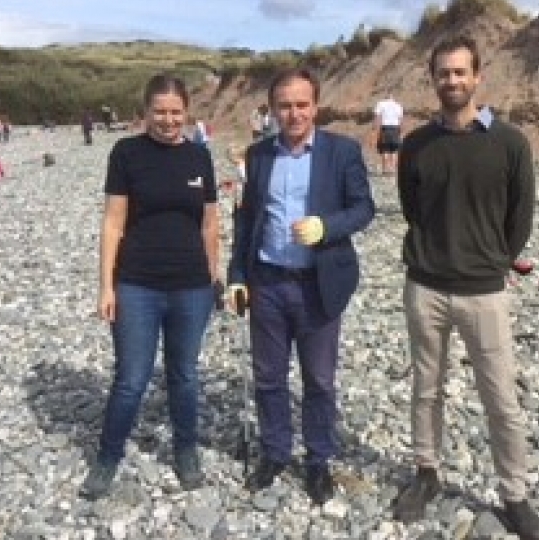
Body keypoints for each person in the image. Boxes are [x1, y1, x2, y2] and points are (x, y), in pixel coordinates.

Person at [393, 35, 539, 540]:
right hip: (426, 287)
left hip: (485, 290)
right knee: (426, 388)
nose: (452, 81)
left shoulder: (509, 143)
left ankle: (515, 494)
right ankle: (426, 473)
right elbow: (413, 209)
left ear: (478, 77)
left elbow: (519, 217)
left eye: (461, 73)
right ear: (433, 79)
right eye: (444, 73)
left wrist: (494, 261)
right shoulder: (415, 146)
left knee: (501, 396)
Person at [227, 67, 375, 506]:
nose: (293, 114)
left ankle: (318, 460)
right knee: (269, 377)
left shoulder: (342, 151)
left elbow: (364, 207)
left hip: (317, 284)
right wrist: (237, 276)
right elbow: (245, 220)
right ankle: (275, 452)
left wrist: (327, 226)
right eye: (284, 106)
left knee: (320, 380)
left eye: (301, 105)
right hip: (268, 282)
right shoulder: (257, 157)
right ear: (271, 110)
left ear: (316, 106)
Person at [80, 73, 220, 500]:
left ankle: (186, 450)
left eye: (176, 112)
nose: (168, 120)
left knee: (184, 375)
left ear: (187, 114)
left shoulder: (200, 157)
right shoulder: (126, 153)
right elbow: (112, 223)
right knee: (131, 378)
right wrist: (106, 287)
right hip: (137, 285)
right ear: (145, 113)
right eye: (159, 112)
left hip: (191, 287)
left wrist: (214, 278)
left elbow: (211, 224)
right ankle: (107, 458)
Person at [372, 93, 404, 175]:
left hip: (385, 128)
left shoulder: (381, 103)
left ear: (386, 96)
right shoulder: (398, 105)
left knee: (385, 148)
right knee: (394, 149)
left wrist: (375, 128)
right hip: (395, 128)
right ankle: (393, 169)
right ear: (393, 97)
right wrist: (400, 130)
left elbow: (377, 117)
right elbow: (400, 120)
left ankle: (385, 169)